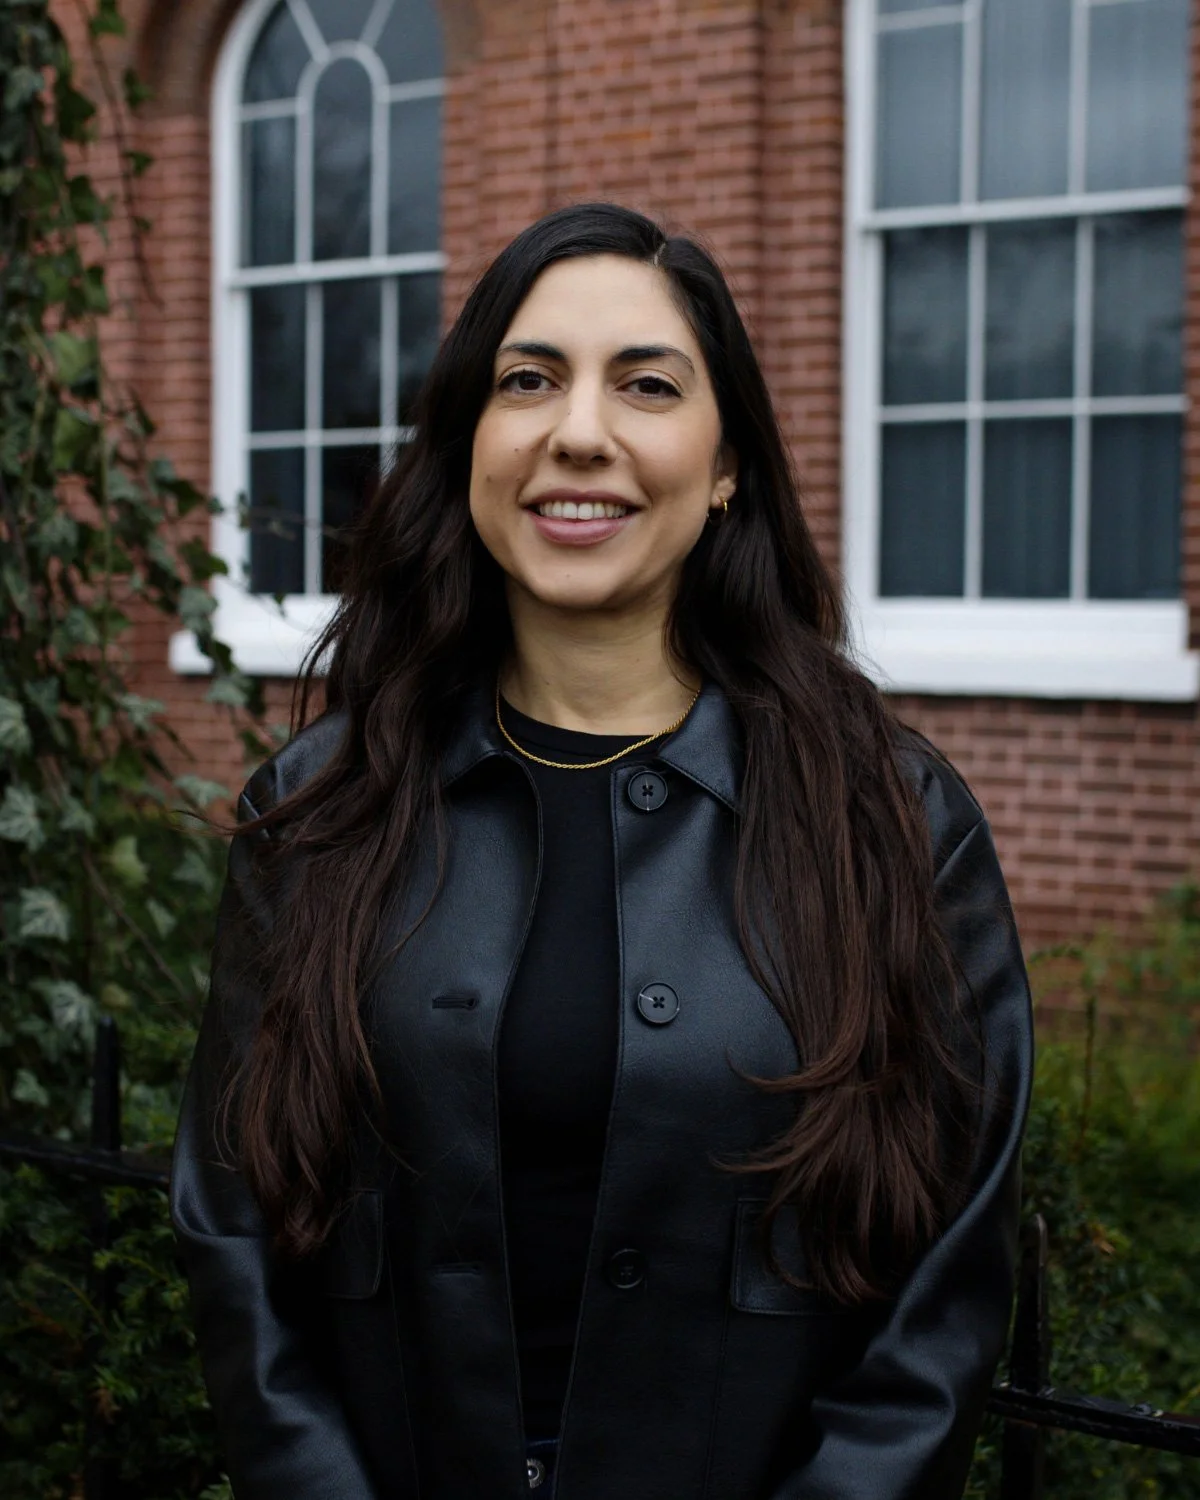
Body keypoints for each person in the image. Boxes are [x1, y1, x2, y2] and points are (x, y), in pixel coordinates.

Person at [170, 202, 1033, 1500]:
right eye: (528, 381)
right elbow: (236, 1237)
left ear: (727, 459)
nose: (580, 432)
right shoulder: (323, 809)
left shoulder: (894, 823)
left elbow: (946, 1291)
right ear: (470, 444)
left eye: (646, 383)